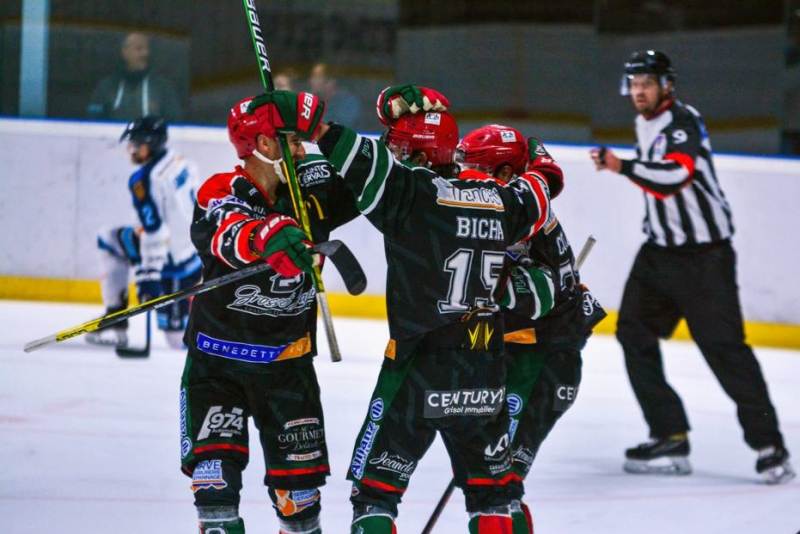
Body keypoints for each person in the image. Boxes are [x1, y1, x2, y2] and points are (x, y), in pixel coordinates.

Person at [248, 84, 553, 533]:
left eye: (401, 148)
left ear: (423, 156)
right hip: (485, 369)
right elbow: (540, 189)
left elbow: (357, 159)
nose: (392, 153)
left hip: (418, 367)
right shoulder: (501, 201)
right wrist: (541, 160)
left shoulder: (411, 192)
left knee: (375, 496)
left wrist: (313, 126)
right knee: (495, 497)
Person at [590, 49, 795, 485]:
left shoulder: (683, 122)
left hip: (704, 259)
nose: (639, 91)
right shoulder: (644, 123)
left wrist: (622, 166)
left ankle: (769, 445)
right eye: (634, 84)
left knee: (724, 349)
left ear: (667, 85)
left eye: (648, 83)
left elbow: (673, 177)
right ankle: (669, 434)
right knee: (633, 333)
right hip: (658, 254)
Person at [179, 96, 359, 534]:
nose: (301, 151)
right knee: (216, 499)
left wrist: (405, 139)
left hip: (287, 370)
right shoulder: (221, 189)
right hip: (217, 366)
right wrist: (264, 237)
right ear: (263, 144)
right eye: (293, 142)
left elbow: (374, 178)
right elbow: (227, 233)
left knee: (300, 507)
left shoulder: (313, 188)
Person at [456, 125, 607, 532]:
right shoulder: (518, 200)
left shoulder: (516, 216)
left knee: (499, 485)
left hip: (541, 363)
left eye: (477, 168)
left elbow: (534, 298)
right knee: (498, 483)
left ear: (505, 174)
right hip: (535, 355)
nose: (465, 177)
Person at [87, 116, 202, 352]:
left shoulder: (144, 180)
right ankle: (116, 317)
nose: (131, 149)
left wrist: (149, 276)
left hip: (173, 264)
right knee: (109, 237)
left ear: (151, 144)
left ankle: (197, 310)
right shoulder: (179, 161)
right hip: (195, 253)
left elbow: (156, 233)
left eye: (136, 144)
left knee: (176, 341)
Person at [86, 32, 184, 122]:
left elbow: (175, 120)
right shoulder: (106, 86)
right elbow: (93, 117)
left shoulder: (162, 87)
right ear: (125, 52)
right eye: (139, 48)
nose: (145, 53)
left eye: (147, 49)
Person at [308, 63, 362, 129]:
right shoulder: (312, 101)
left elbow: (340, 129)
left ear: (330, 82)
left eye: (316, 77)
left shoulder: (348, 103)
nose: (311, 81)